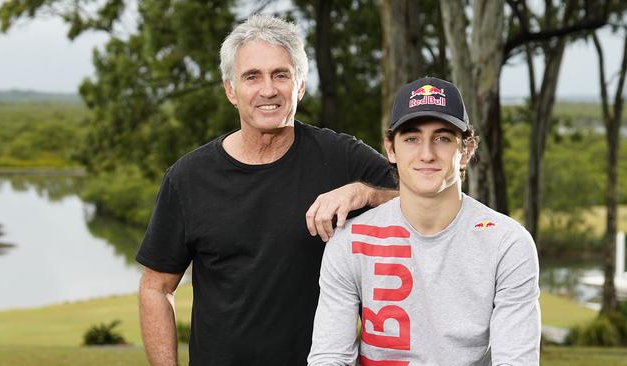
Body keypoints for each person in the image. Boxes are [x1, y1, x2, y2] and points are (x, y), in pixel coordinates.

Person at [136, 15, 398, 366]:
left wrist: (363, 193)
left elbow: (425, 201)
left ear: (300, 85)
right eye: (252, 77)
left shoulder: (342, 158)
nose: (268, 90)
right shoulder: (188, 178)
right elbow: (156, 288)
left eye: (281, 74)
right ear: (231, 90)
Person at [308, 77, 541, 366]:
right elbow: (329, 358)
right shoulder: (349, 242)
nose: (427, 154)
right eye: (411, 139)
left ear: (466, 150)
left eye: (443, 138)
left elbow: (515, 361)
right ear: (391, 149)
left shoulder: (507, 243)